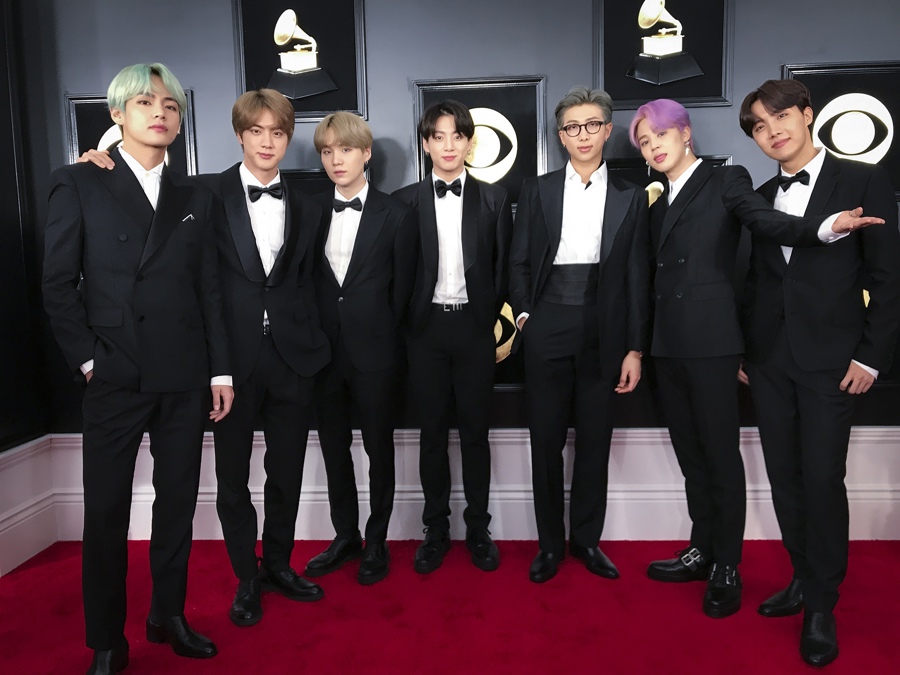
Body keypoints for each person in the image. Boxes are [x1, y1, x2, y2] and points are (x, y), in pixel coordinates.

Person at [628, 98, 885, 621]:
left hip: (758, 350)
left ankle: (766, 581)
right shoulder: (654, 203)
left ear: (685, 133)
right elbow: (754, 279)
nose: (653, 147)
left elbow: (773, 227)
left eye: (660, 135)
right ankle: (739, 560)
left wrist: (825, 226)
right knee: (718, 465)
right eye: (643, 142)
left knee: (797, 475)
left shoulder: (731, 182)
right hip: (706, 351)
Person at [42, 63, 233, 674]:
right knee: (105, 511)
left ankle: (168, 616)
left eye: (171, 105)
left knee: (177, 503)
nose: (160, 112)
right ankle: (105, 639)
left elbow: (211, 291)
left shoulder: (196, 195)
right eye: (145, 102)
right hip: (116, 375)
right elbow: (57, 286)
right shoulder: (78, 183)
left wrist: (220, 372)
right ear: (117, 115)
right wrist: (91, 361)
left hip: (184, 372)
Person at [738, 79, 900, 667]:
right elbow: (755, 282)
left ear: (807, 114)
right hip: (768, 364)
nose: (772, 129)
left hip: (835, 364)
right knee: (784, 477)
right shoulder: (756, 195)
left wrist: (872, 355)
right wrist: (744, 352)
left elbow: (887, 279)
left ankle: (822, 604)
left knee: (822, 479)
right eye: (758, 125)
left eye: (780, 115)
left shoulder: (861, 179)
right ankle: (802, 578)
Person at [509, 85, 650, 583]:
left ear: (608, 131)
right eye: (572, 127)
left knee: (595, 440)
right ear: (561, 136)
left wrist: (634, 347)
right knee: (544, 441)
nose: (583, 134)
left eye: (593, 125)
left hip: (604, 329)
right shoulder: (538, 189)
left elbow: (637, 277)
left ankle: (586, 540)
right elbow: (519, 261)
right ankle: (549, 545)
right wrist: (526, 317)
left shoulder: (631, 198)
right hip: (547, 322)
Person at [393, 100, 512, 574]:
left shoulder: (494, 199)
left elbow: (503, 268)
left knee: (477, 436)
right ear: (426, 144)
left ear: (469, 141)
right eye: (438, 136)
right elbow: (397, 272)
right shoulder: (404, 201)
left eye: (457, 136)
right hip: (424, 332)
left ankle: (478, 529)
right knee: (431, 437)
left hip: (474, 329)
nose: (448, 145)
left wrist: (485, 314)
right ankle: (435, 530)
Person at [304, 111, 417, 585]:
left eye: (345, 149)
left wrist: (384, 344)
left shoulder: (397, 214)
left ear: (366, 153)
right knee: (333, 449)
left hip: (377, 354)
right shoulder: (307, 210)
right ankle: (345, 534)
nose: (336, 160)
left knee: (378, 450)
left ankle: (376, 541)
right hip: (321, 354)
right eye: (327, 151)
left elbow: (405, 292)